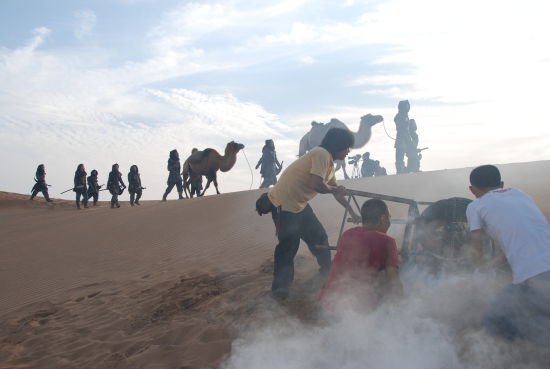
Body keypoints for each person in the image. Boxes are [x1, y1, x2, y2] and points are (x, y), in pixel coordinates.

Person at [265, 128, 361, 301]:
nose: (348, 152)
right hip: (284, 203)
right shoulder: (321, 154)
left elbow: (335, 192)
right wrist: (334, 189)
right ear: (339, 145)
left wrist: (353, 212)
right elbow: (317, 184)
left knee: (319, 237)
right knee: (288, 245)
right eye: (347, 147)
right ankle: (280, 290)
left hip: (299, 204)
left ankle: (327, 271)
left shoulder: (329, 164)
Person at [467, 165, 550, 346]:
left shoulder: (476, 206)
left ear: (472, 190)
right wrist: (487, 268)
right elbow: (509, 251)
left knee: (494, 321)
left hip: (534, 276)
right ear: (502, 184)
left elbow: (477, 250)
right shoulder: (521, 195)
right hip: (541, 270)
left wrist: (475, 273)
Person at [319, 199, 402, 313]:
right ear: (383, 219)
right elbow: (394, 284)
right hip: (353, 311)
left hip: (327, 303)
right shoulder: (388, 241)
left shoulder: (348, 234)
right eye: (389, 217)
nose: (389, 222)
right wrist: (404, 306)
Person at [394, 100, 412, 174]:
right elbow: (401, 126)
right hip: (401, 140)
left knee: (412, 156)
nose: (408, 108)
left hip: (407, 139)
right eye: (406, 106)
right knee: (399, 158)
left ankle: (409, 169)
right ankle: (400, 171)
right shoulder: (398, 116)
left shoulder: (405, 116)